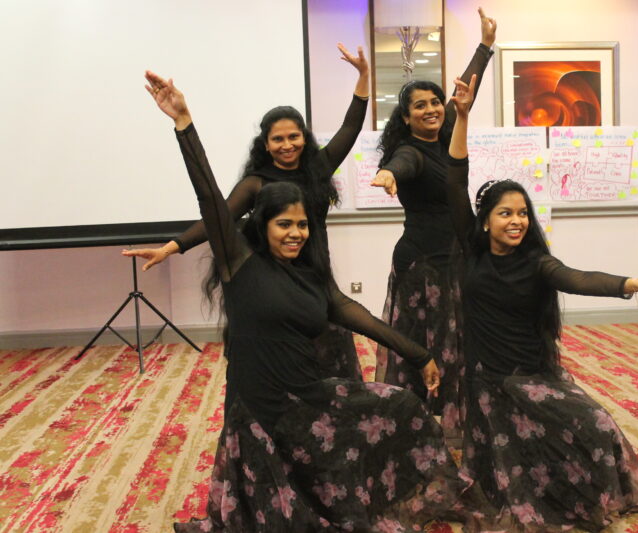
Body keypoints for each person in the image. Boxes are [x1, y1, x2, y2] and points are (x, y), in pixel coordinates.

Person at [143, 71, 483, 532]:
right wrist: (184, 122)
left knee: (403, 405)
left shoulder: (311, 275)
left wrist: (419, 354)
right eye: (284, 225)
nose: (296, 233)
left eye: (303, 225)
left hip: (309, 395)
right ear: (261, 225)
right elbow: (210, 199)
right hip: (262, 411)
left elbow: (355, 315)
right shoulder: (238, 265)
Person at [446, 74, 638, 532]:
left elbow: (578, 279)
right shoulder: (470, 249)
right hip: (487, 380)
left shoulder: (537, 262)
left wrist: (634, 282)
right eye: (505, 213)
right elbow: (454, 179)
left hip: (533, 373)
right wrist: (462, 116)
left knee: (595, 424)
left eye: (522, 213)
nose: (516, 221)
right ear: (485, 222)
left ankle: (582, 494)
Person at [124, 43, 369, 380]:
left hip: (316, 274)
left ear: (304, 138)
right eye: (278, 139)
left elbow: (350, 128)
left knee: (330, 364)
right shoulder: (255, 183)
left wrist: (364, 77)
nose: (287, 145)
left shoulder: (320, 167)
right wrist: (172, 246)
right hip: (272, 283)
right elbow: (218, 218)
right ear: (265, 144)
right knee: (283, 365)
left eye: (294, 137)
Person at [370, 7, 497, 434]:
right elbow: (401, 164)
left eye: (434, 103)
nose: (430, 110)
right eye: (418, 106)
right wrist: (388, 174)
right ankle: (418, 419)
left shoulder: (448, 137)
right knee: (427, 344)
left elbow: (466, 94)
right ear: (404, 118)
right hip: (423, 265)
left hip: (456, 258)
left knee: (457, 342)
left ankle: (458, 417)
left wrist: (484, 46)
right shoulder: (409, 150)